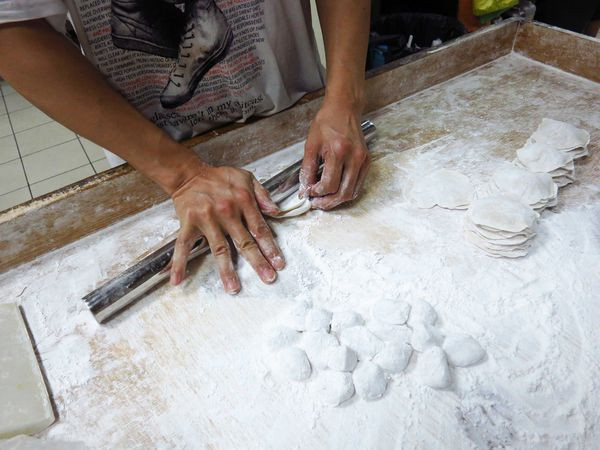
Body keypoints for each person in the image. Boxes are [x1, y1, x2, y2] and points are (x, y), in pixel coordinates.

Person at [0, 0, 371, 294]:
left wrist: (345, 99)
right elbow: (12, 27)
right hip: (149, 152)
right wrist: (180, 175)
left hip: (297, 117)